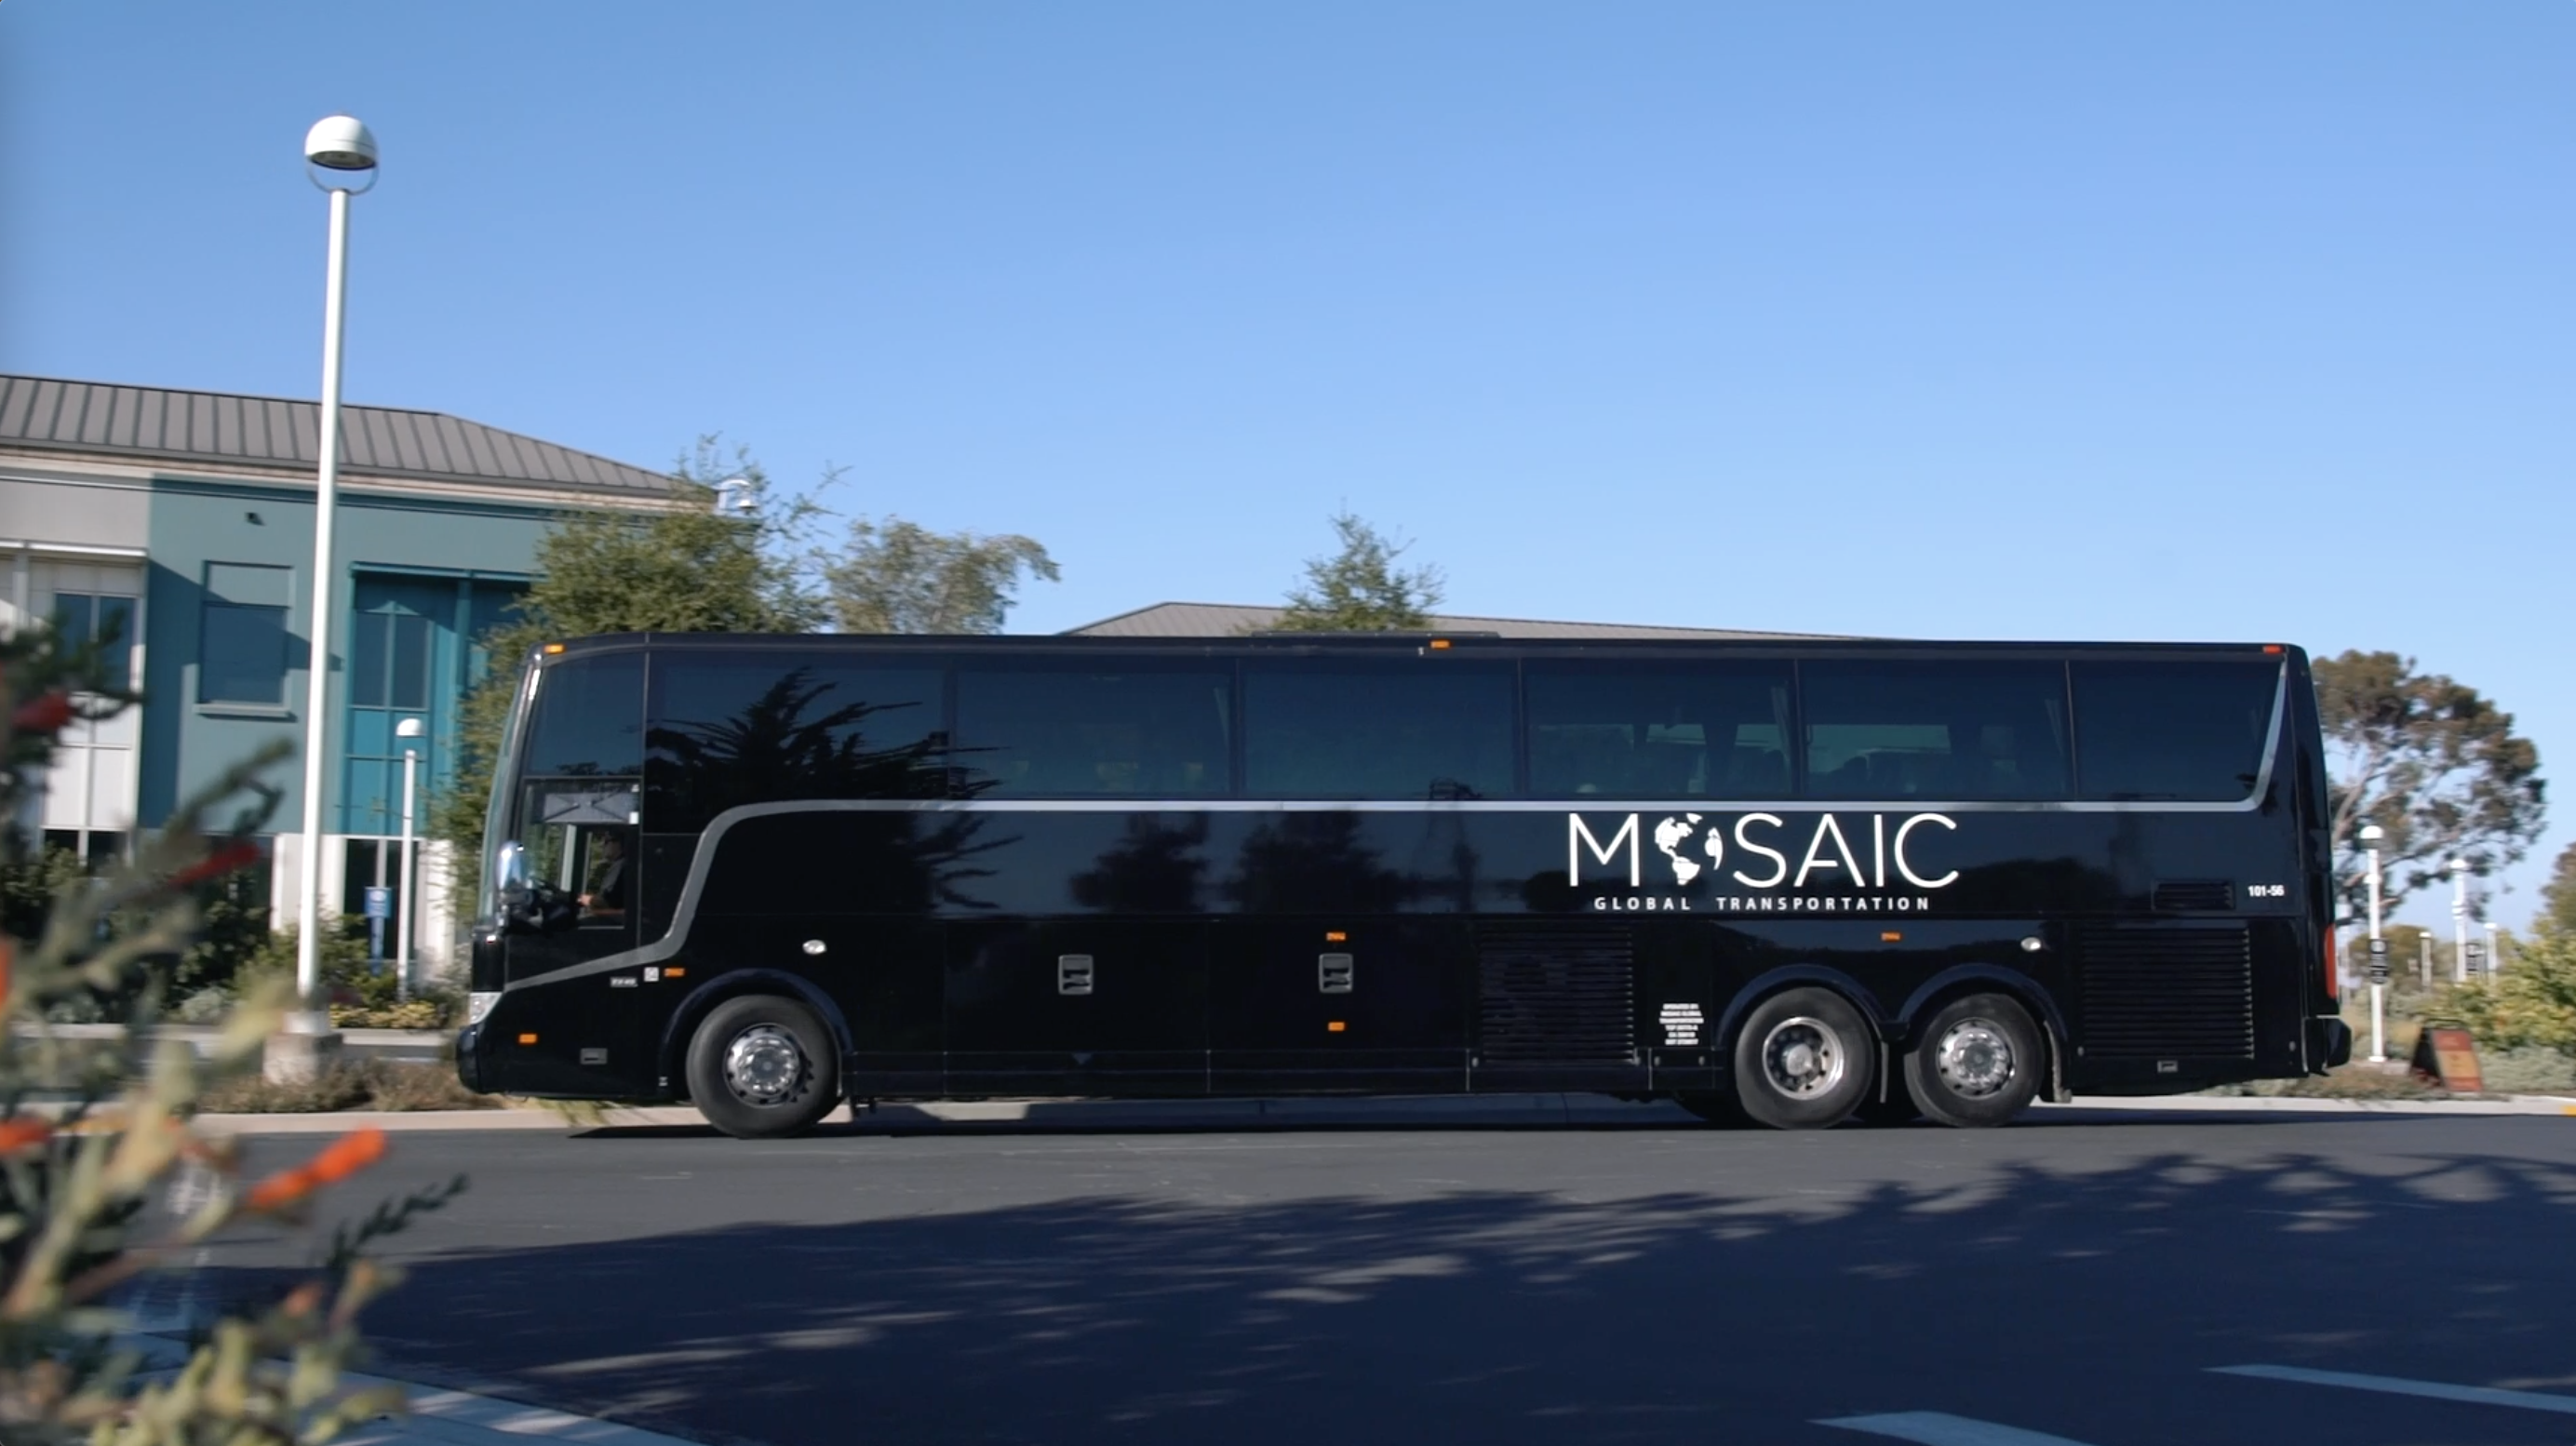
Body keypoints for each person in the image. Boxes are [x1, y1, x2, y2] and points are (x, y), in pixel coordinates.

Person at [579, 831, 631, 921]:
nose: (602, 845)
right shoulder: (623, 865)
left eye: (606, 841)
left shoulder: (621, 865)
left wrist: (584, 899)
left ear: (618, 844)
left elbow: (605, 901)